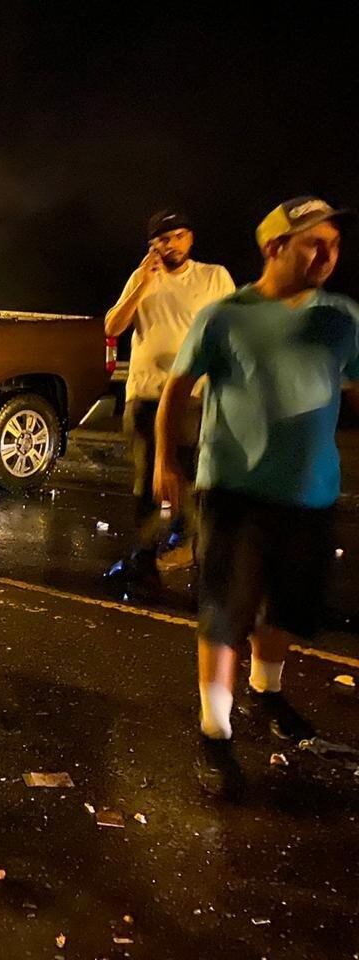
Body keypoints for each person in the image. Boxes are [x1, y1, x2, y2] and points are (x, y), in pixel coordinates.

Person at [155, 196, 359, 799]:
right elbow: (176, 390)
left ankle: (268, 693)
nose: (328, 255)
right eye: (313, 244)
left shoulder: (342, 318)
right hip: (233, 492)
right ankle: (214, 734)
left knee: (286, 611)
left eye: (335, 245)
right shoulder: (226, 316)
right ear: (274, 247)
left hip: (311, 494)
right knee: (224, 613)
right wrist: (167, 461)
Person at [103, 210, 235, 596]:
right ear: (152, 246)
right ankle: (145, 559)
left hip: (193, 398)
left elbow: (230, 330)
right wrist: (142, 283)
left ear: (190, 239)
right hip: (145, 395)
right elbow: (112, 328)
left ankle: (188, 548)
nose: (171, 245)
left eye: (178, 236)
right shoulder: (142, 278)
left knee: (193, 479)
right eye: (162, 239)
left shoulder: (213, 277)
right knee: (149, 482)